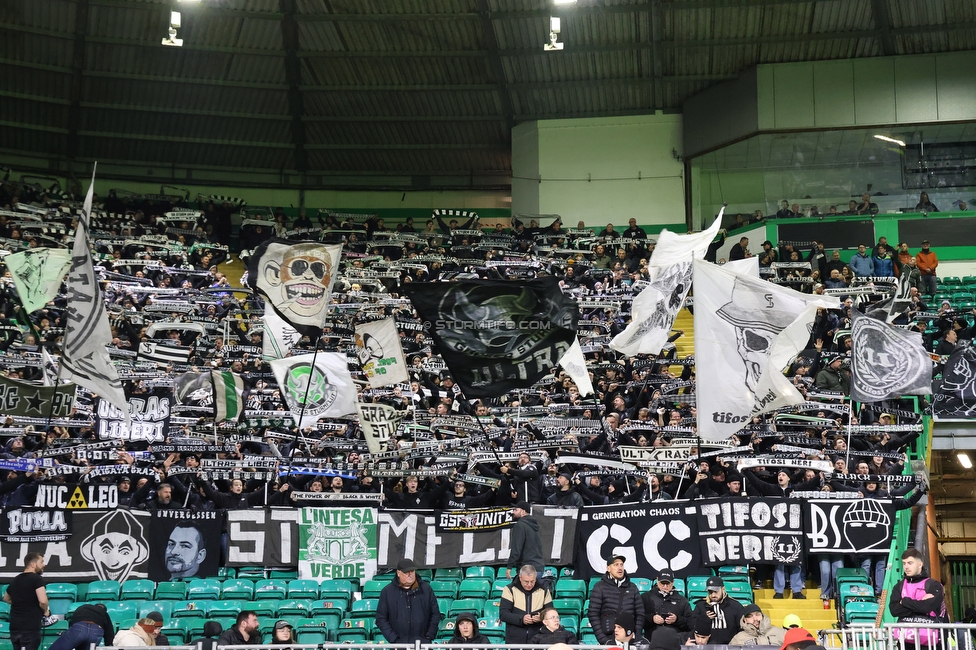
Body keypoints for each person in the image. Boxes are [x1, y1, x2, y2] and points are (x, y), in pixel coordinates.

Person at [888, 547, 946, 646]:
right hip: (906, 641)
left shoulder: (934, 585)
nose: (906, 567)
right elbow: (894, 611)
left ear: (920, 564)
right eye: (904, 563)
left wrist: (905, 601)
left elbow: (927, 607)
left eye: (910, 563)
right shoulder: (899, 586)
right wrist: (920, 604)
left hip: (930, 642)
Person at [376, 559, 439, 644]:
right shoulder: (387, 592)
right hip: (398, 645)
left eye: (412, 571)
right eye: (406, 572)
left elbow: (435, 614)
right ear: (398, 573)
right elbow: (381, 618)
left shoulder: (426, 589)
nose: (410, 575)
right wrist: (394, 639)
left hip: (423, 644)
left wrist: (429, 636)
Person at [588, 554, 645, 645]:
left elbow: (640, 614)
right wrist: (604, 640)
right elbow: (593, 614)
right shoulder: (599, 587)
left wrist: (636, 635)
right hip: (607, 639)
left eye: (621, 564)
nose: (619, 568)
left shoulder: (632, 587)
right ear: (608, 568)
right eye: (616, 565)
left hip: (629, 639)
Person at [4, 551, 50, 650]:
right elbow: (43, 601)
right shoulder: (37, 579)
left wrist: (20, 603)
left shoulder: (15, 580)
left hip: (14, 627)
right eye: (41, 562)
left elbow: (6, 598)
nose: (44, 565)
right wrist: (45, 611)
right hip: (30, 627)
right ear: (33, 564)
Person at [499, 565, 552, 644]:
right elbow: (503, 614)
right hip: (514, 640)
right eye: (526, 582)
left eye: (532, 581)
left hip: (539, 639)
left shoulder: (544, 590)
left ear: (535, 578)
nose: (529, 584)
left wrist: (541, 618)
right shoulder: (509, 589)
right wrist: (521, 619)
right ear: (520, 578)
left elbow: (551, 613)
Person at [691, 577, 743, 646]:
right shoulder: (700, 606)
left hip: (731, 646)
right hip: (707, 646)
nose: (713, 595)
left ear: (723, 589)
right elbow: (692, 626)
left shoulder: (735, 606)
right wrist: (704, 618)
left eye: (716, 592)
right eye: (710, 592)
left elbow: (742, 628)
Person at [641, 569, 693, 639]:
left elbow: (691, 624)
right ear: (657, 580)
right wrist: (652, 618)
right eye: (662, 583)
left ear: (673, 582)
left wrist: (677, 620)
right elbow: (637, 620)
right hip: (652, 640)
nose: (665, 586)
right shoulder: (646, 597)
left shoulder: (682, 600)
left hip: (675, 640)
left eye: (667, 583)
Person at [48, 603, 114, 650]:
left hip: (79, 627)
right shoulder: (104, 613)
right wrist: (109, 644)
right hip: (96, 630)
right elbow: (109, 632)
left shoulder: (84, 607)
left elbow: (72, 620)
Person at [507, 501, 544, 578]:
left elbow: (516, 548)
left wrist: (509, 566)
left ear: (523, 512)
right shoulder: (536, 525)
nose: (513, 512)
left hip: (526, 569)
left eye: (516, 510)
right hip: (539, 567)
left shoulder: (520, 525)